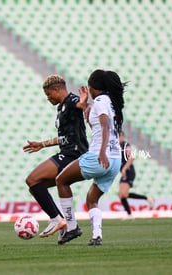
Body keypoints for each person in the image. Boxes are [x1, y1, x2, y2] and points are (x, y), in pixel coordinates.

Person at [55, 69, 126, 246]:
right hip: (115, 161)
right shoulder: (111, 102)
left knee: (61, 181)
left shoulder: (101, 101)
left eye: (90, 85)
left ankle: (71, 227)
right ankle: (97, 236)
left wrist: (101, 151)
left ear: (95, 87)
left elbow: (104, 124)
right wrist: (84, 103)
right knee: (92, 200)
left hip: (99, 157)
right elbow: (94, 118)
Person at [23, 75, 89, 238]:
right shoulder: (61, 108)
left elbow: (81, 105)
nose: (48, 99)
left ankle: (56, 219)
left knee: (31, 179)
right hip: (67, 152)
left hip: (74, 154)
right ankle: (66, 225)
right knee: (35, 186)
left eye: (48, 95)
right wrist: (42, 144)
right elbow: (64, 137)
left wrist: (84, 103)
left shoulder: (72, 100)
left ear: (57, 89)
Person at [118, 131, 155, 220]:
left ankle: (145, 199)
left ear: (122, 136)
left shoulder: (125, 145)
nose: (117, 138)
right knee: (121, 194)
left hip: (129, 171)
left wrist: (124, 168)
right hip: (125, 172)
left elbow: (131, 157)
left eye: (119, 136)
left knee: (123, 194)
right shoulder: (117, 146)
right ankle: (130, 214)